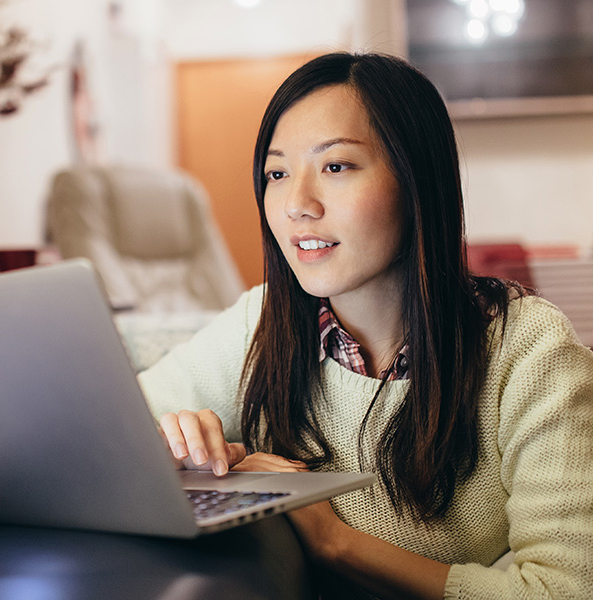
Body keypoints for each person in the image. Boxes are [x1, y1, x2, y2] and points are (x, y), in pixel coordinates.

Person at [138, 52, 593, 599]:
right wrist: (188, 452)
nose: (296, 205)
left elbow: (562, 590)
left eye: (335, 166)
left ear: (416, 177)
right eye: (277, 174)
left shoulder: (530, 350)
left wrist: (333, 538)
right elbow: (104, 432)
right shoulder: (261, 324)